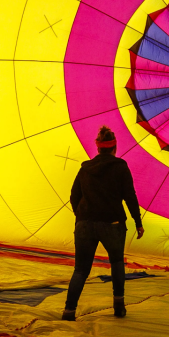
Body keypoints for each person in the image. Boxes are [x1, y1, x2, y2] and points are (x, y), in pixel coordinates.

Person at [62, 126, 144, 321]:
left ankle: (69, 311)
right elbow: (130, 197)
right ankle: (119, 308)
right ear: (114, 148)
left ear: (98, 148)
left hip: (85, 224)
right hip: (112, 224)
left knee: (81, 270)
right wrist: (138, 222)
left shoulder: (85, 169)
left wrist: (81, 216)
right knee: (116, 263)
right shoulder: (120, 167)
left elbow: (74, 196)